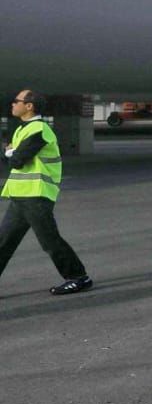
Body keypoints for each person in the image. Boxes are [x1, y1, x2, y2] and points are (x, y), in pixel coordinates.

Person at [1, 89, 92, 295]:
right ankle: (78, 277)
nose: (12, 105)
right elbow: (13, 157)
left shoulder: (39, 130)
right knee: (4, 241)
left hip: (36, 196)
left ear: (29, 106)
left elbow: (16, 160)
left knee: (49, 240)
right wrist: (11, 153)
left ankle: (79, 277)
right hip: (20, 196)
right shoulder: (21, 130)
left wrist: (9, 152)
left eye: (16, 101)